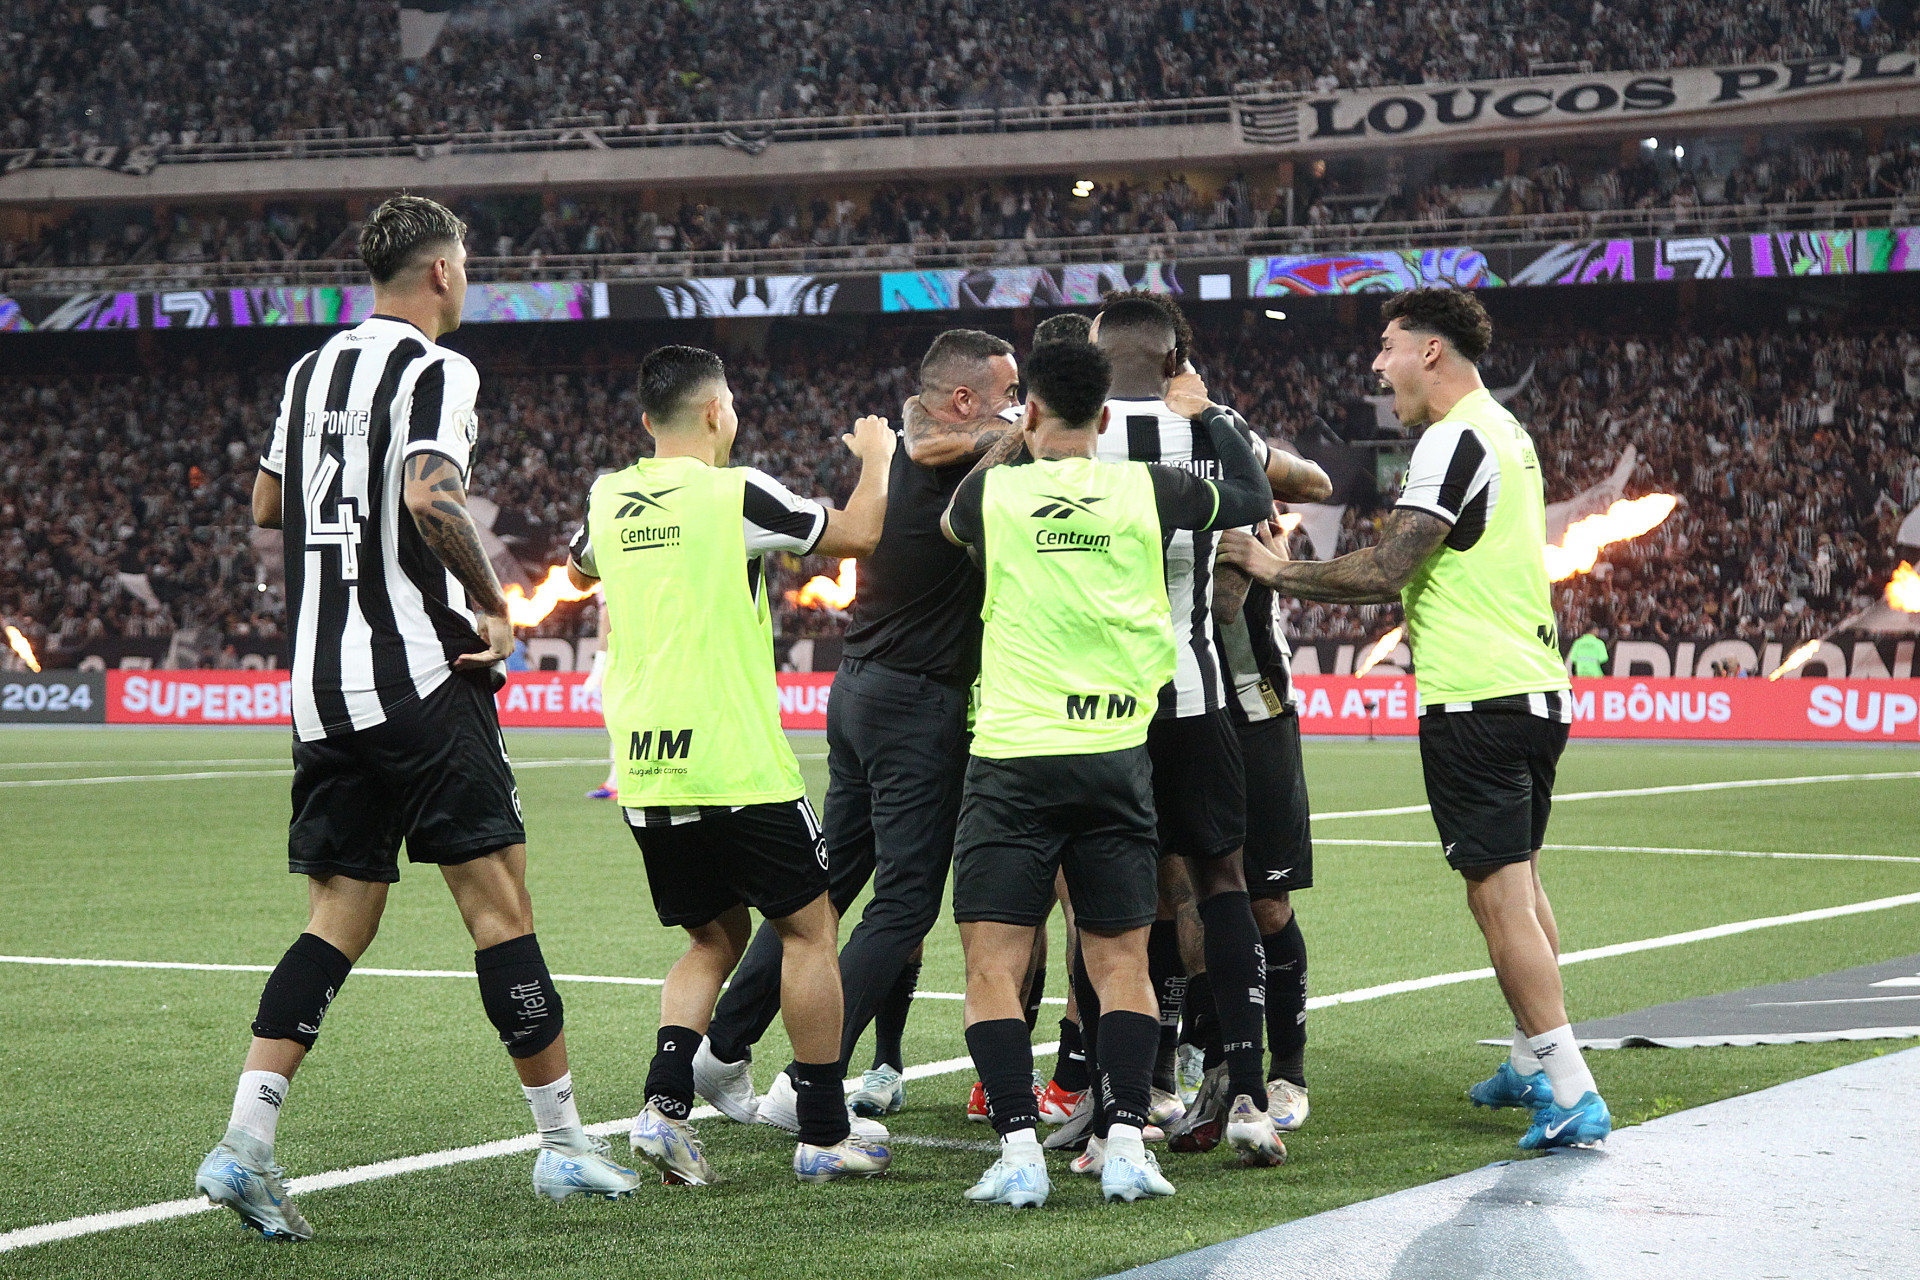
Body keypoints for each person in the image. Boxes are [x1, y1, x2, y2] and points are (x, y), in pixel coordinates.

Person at [195, 194, 639, 1242]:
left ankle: (246, 1142)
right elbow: (430, 492)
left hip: (319, 686)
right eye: (468, 265)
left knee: (337, 915)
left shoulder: (310, 373)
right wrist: (490, 600)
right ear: (441, 273)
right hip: (420, 679)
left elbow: (268, 504)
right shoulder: (439, 369)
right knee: (500, 907)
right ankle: (566, 1142)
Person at [1219, 286, 1612, 1151]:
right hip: (1535, 690)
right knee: (1526, 884)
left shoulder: (1452, 438)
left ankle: (1572, 1086)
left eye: (1389, 345)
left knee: (1497, 896)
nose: (1377, 362)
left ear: (1430, 351)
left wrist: (1271, 568)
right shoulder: (1508, 432)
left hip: (1477, 697)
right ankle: (1527, 1062)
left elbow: (1391, 566)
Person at [942, 339, 1271, 1208]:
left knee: (993, 964)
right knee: (1121, 956)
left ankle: (1017, 1147)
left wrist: (1021, 438)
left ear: (1034, 411)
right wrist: (1215, 421)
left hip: (1013, 758)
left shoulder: (996, 493)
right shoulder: (1144, 488)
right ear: (1111, 419)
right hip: (1115, 756)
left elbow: (953, 524)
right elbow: (1251, 498)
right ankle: (1127, 1138)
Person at [566, 344, 896, 1185]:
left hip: (645, 762)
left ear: (647, 421)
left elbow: (578, 563)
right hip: (735, 759)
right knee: (810, 931)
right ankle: (823, 1132)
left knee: (711, 937)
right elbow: (857, 533)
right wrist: (879, 459)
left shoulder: (608, 499)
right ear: (716, 413)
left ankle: (662, 1109)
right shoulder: (735, 491)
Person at [685, 330, 1024, 1132]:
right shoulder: (975, 464)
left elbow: (938, 427)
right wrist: (1016, 431)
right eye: (1007, 393)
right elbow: (1018, 438)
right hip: (918, 706)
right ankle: (814, 1082)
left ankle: (723, 1048)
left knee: (823, 892)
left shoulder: (907, 455)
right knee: (903, 908)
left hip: (860, 692)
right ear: (966, 400)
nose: (1019, 410)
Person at [1058, 290, 1315, 1170]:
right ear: (1176, 359)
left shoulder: (1065, 429)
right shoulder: (1220, 427)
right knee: (1221, 880)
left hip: (1096, 700)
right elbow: (1254, 535)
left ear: (1096, 357)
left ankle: (1115, 1104)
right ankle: (1246, 1094)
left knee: (1110, 898)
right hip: (1199, 688)